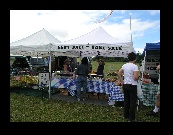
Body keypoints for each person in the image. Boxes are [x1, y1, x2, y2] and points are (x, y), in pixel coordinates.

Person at [117, 52, 139, 122]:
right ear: (135, 59)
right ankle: (131, 118)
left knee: (126, 101)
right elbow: (135, 77)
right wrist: (138, 78)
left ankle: (126, 115)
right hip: (132, 85)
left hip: (125, 84)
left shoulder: (125, 65)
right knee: (132, 102)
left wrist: (122, 81)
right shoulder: (135, 66)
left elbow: (119, 73)